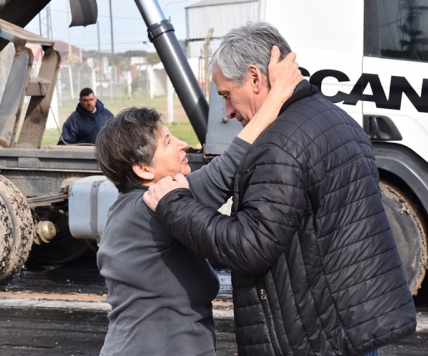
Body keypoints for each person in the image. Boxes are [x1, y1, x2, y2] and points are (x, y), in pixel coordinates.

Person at [144, 22, 417, 356]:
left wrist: (175, 205)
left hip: (314, 338)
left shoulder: (280, 143)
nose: (228, 112)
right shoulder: (336, 119)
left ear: (256, 78)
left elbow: (251, 245)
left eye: (228, 95)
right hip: (350, 327)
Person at [95, 47, 303, 356]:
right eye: (168, 142)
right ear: (143, 169)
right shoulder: (148, 210)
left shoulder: (129, 209)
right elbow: (223, 174)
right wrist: (276, 98)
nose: (182, 143)